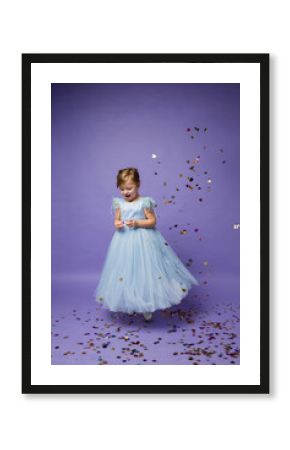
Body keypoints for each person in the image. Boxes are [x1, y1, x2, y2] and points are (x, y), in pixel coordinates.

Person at [95, 167, 199, 321]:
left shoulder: (145, 202)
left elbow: (152, 221)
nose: (126, 192)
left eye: (129, 188)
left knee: (144, 272)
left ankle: (146, 305)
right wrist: (117, 223)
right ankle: (130, 303)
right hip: (123, 242)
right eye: (122, 189)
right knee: (126, 272)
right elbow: (117, 219)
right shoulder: (119, 203)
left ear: (138, 184)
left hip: (144, 241)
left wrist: (137, 222)